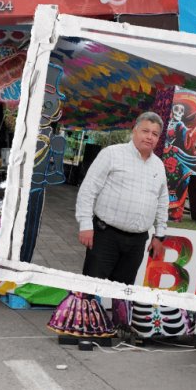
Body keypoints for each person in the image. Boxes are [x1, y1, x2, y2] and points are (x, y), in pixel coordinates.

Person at [76, 111, 168, 285]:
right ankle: (86, 313)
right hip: (105, 236)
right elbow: (88, 189)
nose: (149, 137)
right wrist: (85, 224)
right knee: (90, 289)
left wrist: (160, 235)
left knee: (122, 295)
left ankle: (117, 314)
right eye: (145, 131)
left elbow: (162, 202)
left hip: (137, 242)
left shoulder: (158, 165)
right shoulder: (111, 154)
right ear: (134, 130)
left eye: (154, 134)